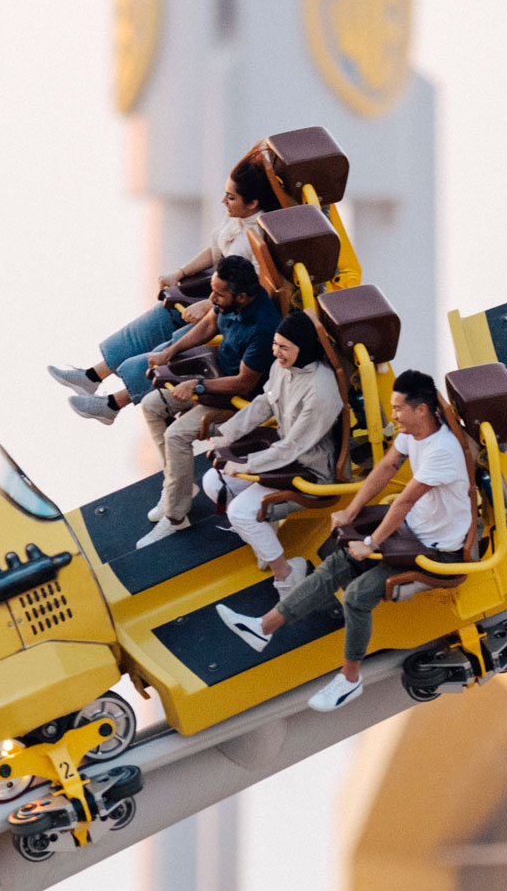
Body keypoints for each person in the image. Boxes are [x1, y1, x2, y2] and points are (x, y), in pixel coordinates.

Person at [215, 371, 474, 713]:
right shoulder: (413, 434)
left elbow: (405, 500)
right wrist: (352, 512)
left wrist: (370, 542)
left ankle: (350, 680)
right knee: (337, 562)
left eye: (398, 408)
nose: (393, 415)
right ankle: (264, 628)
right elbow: (385, 468)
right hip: (413, 532)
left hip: (437, 552)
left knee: (357, 596)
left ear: (422, 409)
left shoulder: (441, 450)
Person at [49, 162, 278, 404]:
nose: (224, 202)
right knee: (161, 316)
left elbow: (250, 289)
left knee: (179, 341)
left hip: (232, 305)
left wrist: (208, 307)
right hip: (216, 290)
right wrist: (179, 273)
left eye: (230, 197)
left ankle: (114, 403)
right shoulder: (236, 217)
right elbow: (216, 249)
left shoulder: (259, 236)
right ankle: (92, 376)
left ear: (252, 203)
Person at [118, 256, 284, 544]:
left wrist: (197, 387)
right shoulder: (226, 303)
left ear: (242, 297)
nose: (212, 298)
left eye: (219, 294)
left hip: (236, 398)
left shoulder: (263, 327)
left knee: (177, 435)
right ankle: (177, 486)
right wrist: (170, 352)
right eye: (213, 290)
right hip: (215, 377)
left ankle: (175, 516)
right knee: (151, 406)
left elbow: (245, 382)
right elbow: (209, 325)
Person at [180, 312, 342, 588]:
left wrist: (247, 464)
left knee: (240, 512)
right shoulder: (283, 367)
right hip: (283, 454)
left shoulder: (320, 391)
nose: (276, 352)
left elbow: (294, 447)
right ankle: (265, 535)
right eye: (275, 345)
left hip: (308, 467)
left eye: (284, 348)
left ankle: (287, 574)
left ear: (304, 349)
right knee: (213, 482)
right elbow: (263, 403)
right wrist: (226, 434)